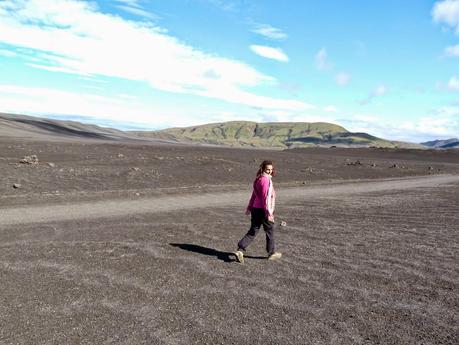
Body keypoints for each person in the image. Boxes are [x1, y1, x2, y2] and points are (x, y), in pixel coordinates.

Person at [234, 160, 282, 263]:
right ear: (263, 169)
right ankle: (271, 253)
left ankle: (240, 250)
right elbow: (266, 198)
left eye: (271, 169)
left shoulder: (258, 179)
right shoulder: (265, 180)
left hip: (255, 210)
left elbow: (253, 195)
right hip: (264, 210)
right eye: (267, 169)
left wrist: (249, 207)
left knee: (253, 230)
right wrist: (269, 214)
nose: (269, 171)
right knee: (270, 231)